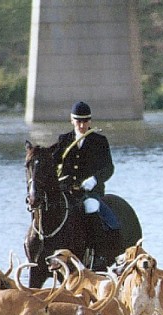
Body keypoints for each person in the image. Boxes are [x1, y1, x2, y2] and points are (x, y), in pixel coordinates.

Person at [50, 101, 120, 269]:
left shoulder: (99, 141)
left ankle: (97, 253)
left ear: (90, 121)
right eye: (78, 121)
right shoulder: (64, 140)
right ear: (72, 120)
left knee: (91, 207)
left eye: (85, 121)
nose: (81, 125)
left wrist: (95, 179)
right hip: (66, 191)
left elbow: (108, 168)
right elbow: (53, 163)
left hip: (89, 192)